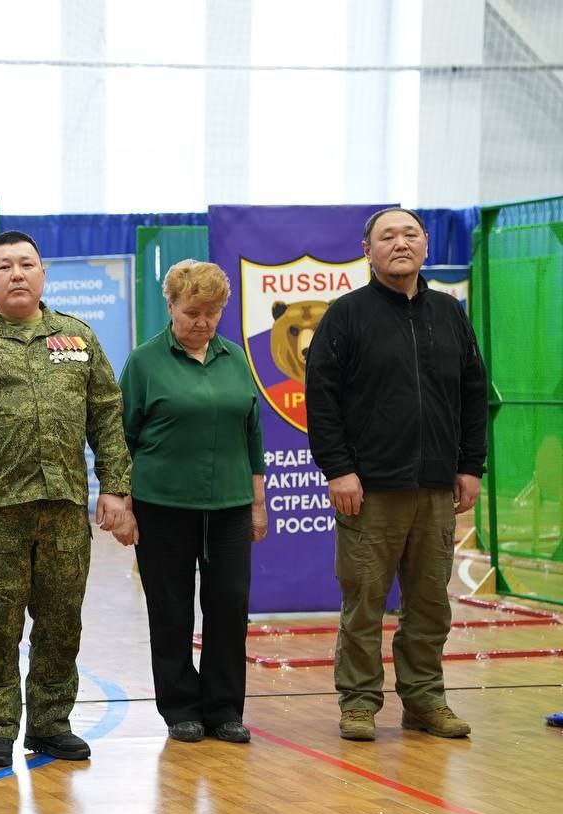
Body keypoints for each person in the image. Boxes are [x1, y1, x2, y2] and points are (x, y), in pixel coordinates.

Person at [0, 230, 133, 768]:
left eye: (26, 264)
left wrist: (115, 487)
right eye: (5, 266)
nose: (16, 274)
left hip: (64, 508)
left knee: (61, 624)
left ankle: (50, 724)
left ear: (43, 274)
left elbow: (106, 415)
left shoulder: (77, 338)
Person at [306, 207, 487, 742]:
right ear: (368, 251)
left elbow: (473, 393)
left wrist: (470, 466)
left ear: (426, 245)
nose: (400, 243)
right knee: (364, 602)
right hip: (370, 490)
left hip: (436, 487)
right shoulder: (346, 316)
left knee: (430, 603)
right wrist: (340, 470)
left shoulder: (450, 314)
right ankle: (359, 703)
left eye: (411, 233)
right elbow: (322, 400)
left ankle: (425, 699)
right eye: (387, 236)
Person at [118, 260, 266, 744]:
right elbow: (123, 438)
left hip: (230, 506)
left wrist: (258, 503)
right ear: (171, 307)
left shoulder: (235, 359)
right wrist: (123, 504)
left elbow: (253, 433)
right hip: (162, 506)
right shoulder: (144, 362)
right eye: (191, 313)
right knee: (171, 609)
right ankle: (180, 706)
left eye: (212, 313)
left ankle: (224, 708)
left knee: (229, 606)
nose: (202, 322)